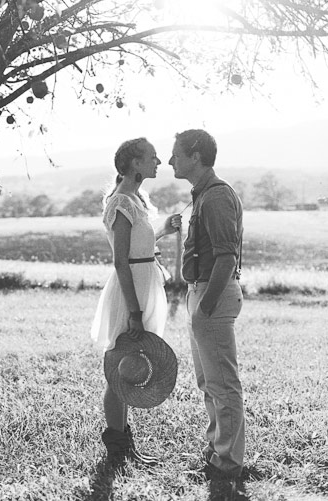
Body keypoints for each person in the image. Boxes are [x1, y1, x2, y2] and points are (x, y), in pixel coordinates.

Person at [91, 137, 181, 468]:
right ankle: (116, 445)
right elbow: (120, 261)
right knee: (119, 370)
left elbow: (139, 246)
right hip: (130, 291)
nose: (158, 162)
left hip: (146, 283)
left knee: (132, 365)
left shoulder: (136, 200)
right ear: (134, 163)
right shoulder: (120, 203)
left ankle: (125, 443)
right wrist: (134, 311)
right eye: (152, 158)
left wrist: (163, 231)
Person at [168, 129, 246, 500]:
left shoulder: (215, 197)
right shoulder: (203, 195)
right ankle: (219, 450)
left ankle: (228, 461)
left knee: (222, 383)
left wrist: (206, 305)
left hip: (211, 297)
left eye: (176, 155)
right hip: (201, 294)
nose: (170, 162)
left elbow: (226, 256)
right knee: (208, 382)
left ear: (195, 155)